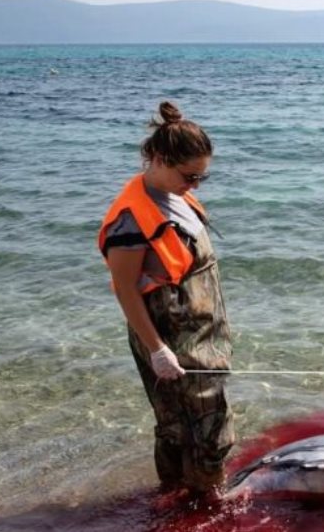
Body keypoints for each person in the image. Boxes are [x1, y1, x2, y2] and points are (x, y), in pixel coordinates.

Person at [98, 101, 235, 494]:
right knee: (194, 428)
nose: (194, 186)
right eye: (189, 176)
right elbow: (125, 289)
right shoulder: (130, 220)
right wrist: (157, 350)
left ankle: (189, 496)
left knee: (198, 423)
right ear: (158, 159)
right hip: (170, 338)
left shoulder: (176, 196)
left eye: (201, 179)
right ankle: (201, 501)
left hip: (203, 335)